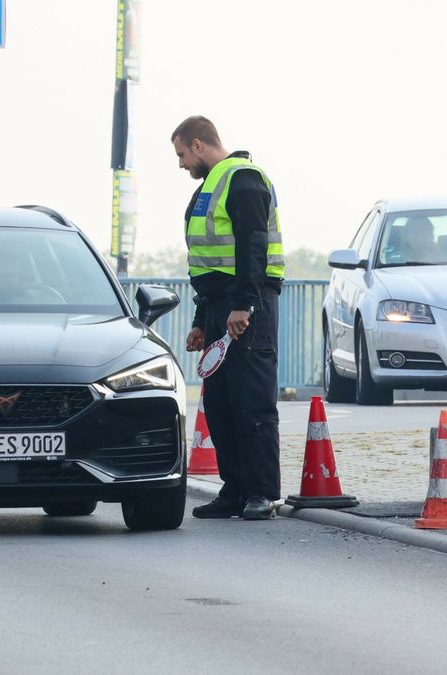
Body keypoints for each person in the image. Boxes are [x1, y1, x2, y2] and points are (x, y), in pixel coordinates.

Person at [170, 115, 285, 521]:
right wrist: (203, 320)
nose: (181, 163)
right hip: (220, 305)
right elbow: (208, 264)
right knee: (219, 404)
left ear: (199, 144)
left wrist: (244, 306)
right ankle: (234, 489)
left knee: (252, 402)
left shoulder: (244, 179)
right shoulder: (210, 188)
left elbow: (252, 249)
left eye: (182, 154)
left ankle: (261, 492)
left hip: (247, 306)